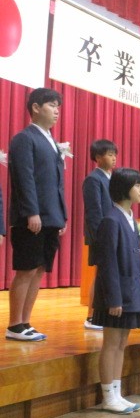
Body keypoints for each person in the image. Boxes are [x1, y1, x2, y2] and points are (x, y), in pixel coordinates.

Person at [7, 88, 67, 342]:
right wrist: (32, 212)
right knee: (27, 269)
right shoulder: (24, 138)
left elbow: (57, 184)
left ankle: (25, 321)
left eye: (58, 107)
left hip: (51, 217)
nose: (56, 111)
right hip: (31, 218)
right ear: (35, 107)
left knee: (39, 269)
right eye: (51, 105)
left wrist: (62, 216)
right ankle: (14, 324)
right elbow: (24, 178)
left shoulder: (52, 141)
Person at [93, 168, 140, 414]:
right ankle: (108, 396)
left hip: (130, 293)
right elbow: (108, 263)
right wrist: (114, 298)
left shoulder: (131, 219)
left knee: (121, 343)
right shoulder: (111, 220)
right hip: (115, 295)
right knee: (111, 343)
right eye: (137, 186)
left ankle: (117, 392)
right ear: (124, 189)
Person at [82, 139, 118, 330]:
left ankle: (101, 313)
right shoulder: (93, 179)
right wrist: (100, 237)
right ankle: (90, 316)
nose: (114, 158)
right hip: (101, 235)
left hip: (112, 233)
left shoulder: (111, 178)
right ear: (97, 157)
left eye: (115, 154)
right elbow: (94, 212)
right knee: (100, 273)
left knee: (106, 273)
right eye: (109, 154)